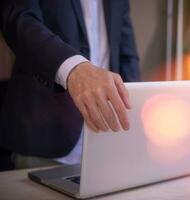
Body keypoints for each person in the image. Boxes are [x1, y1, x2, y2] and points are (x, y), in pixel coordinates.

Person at [0, 0, 140, 168]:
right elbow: (18, 18)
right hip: (44, 132)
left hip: (105, 139)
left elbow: (126, 54)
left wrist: (133, 113)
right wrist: (73, 67)